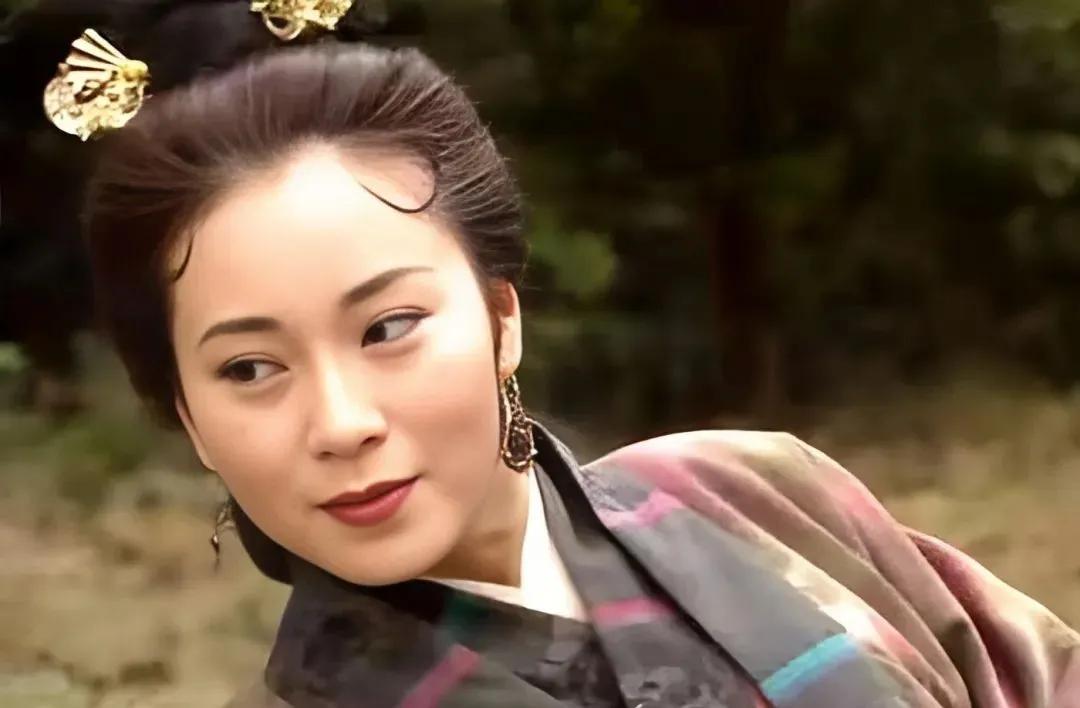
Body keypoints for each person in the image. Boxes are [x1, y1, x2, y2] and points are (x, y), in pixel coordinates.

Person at [26, 0, 1080, 705]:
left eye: (389, 327)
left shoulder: (750, 490)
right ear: (188, 417)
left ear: (502, 318)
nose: (341, 423)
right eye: (250, 370)